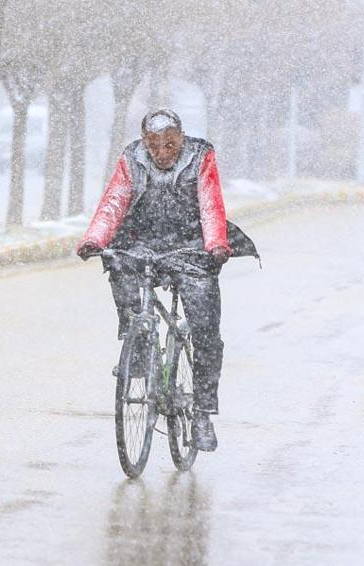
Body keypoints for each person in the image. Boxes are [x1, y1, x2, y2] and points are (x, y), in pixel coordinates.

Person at [77, 109, 256, 452]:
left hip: (191, 246)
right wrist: (95, 239)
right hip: (142, 242)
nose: (161, 153)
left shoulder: (200, 155)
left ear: (182, 138)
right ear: (145, 142)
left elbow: (210, 204)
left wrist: (216, 245)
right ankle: (139, 345)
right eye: (154, 146)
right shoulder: (132, 157)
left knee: (205, 327)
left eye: (170, 145)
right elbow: (115, 201)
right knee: (119, 267)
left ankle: (202, 412)